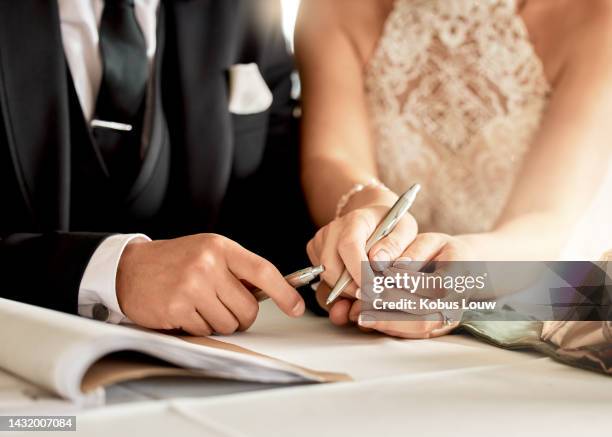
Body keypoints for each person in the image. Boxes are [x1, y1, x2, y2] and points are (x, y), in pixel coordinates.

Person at [296, 0, 612, 338]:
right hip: (378, 315)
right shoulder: (332, 7)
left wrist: (463, 273)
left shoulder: (597, 14)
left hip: (552, 305)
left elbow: (545, 217)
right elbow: (332, 158)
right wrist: (363, 215)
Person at [0, 0, 314, 336]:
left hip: (209, 368)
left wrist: (371, 280)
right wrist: (115, 274)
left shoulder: (246, 9)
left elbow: (283, 220)